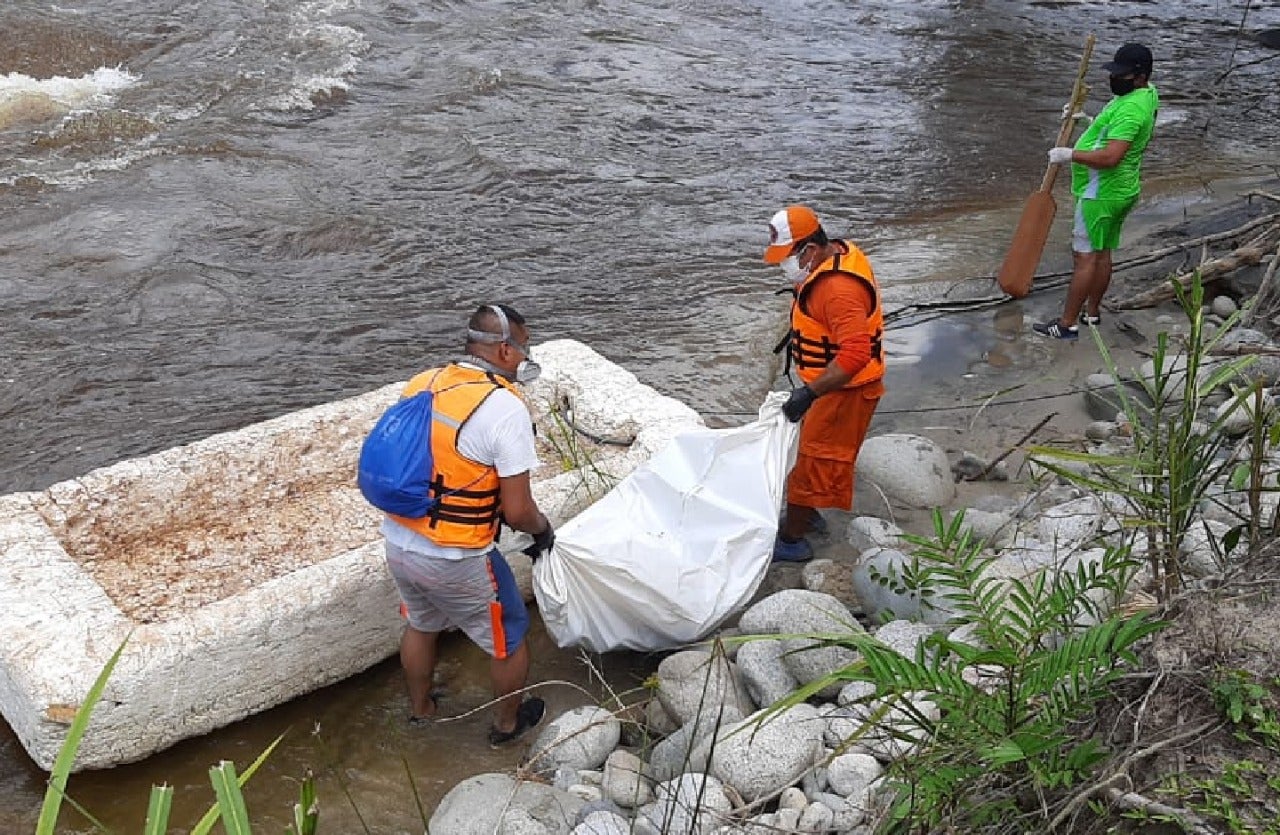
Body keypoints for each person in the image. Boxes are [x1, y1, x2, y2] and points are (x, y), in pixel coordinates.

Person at [379, 303, 555, 746]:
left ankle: (421, 711)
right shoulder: (504, 408)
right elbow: (517, 511)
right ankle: (507, 726)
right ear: (505, 350)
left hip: (400, 541)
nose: (526, 356)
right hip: (458, 555)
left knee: (421, 624)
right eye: (525, 346)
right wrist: (542, 530)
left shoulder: (424, 382)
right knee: (510, 636)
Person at [763, 206, 885, 562]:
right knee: (808, 457)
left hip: (845, 391)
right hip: (830, 385)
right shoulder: (836, 256)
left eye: (787, 257)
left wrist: (809, 393)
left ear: (811, 249)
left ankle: (792, 540)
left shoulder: (837, 289)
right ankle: (807, 513)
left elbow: (855, 355)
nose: (783, 266)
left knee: (812, 462)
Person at [1033, 42, 1159, 340]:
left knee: (1085, 258)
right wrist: (1085, 122)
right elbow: (1112, 133)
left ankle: (1067, 325)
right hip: (1122, 191)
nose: (1114, 78)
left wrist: (1069, 155)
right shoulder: (1147, 94)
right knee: (1101, 254)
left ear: (1140, 76)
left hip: (1100, 194)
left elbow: (1111, 157)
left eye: (1122, 75)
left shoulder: (1131, 110)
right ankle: (1092, 313)